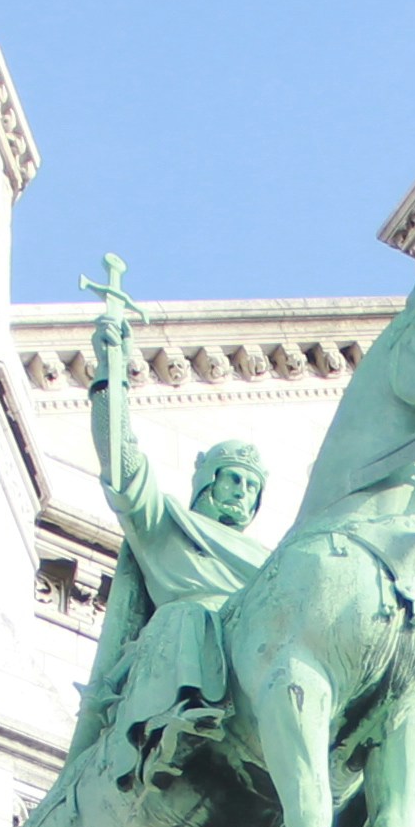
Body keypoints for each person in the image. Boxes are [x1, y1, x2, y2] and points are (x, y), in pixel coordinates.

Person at [68, 283, 270, 785]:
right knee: (188, 615)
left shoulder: (273, 561)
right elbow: (124, 467)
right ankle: (178, 729)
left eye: (252, 486)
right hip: (189, 639)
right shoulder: (167, 525)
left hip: (261, 652)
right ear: (207, 481)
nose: (242, 492)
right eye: (233, 479)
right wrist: (111, 377)